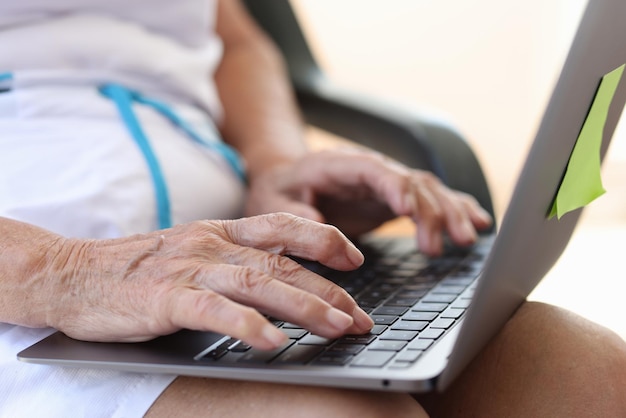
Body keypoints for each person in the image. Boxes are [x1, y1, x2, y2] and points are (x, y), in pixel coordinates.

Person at [0, 0, 625, 416]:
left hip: (220, 248)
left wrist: (276, 166)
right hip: (28, 303)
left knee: (591, 377)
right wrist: (63, 270)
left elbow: (233, 41)